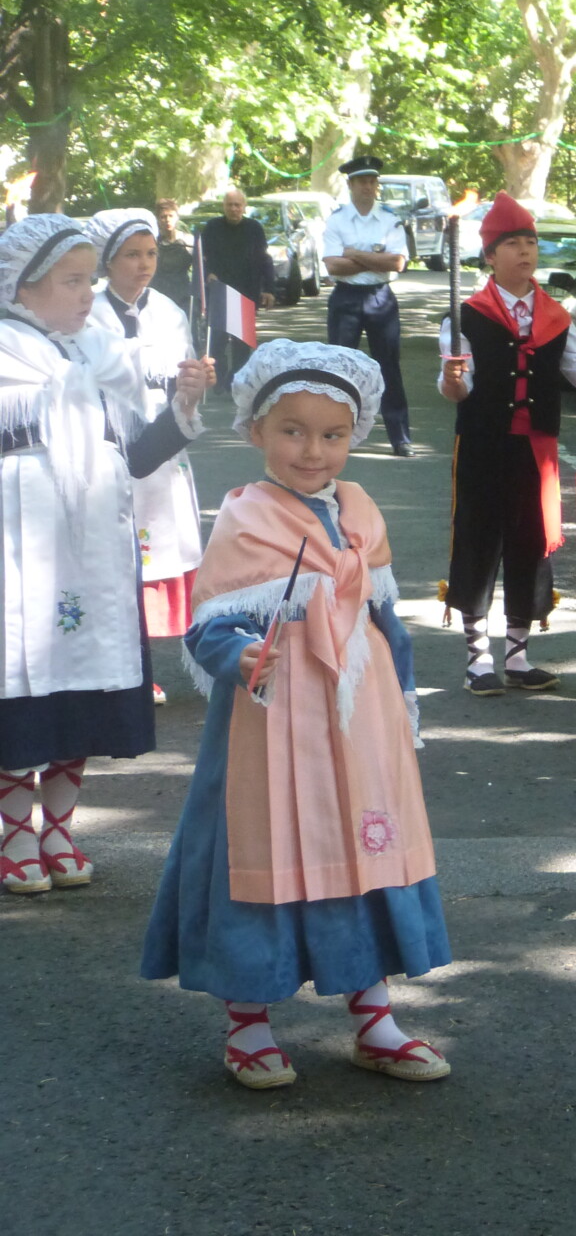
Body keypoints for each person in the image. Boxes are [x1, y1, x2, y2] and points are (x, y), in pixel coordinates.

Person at [141, 339, 452, 1090]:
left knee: (364, 845)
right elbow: (212, 621)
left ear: (355, 436)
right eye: (293, 430)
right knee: (266, 848)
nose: (314, 450)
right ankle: (247, 1018)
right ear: (255, 431)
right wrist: (239, 655)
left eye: (332, 434)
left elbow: (386, 618)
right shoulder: (247, 518)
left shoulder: (360, 511)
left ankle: (373, 1013)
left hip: (359, 716)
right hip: (275, 716)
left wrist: (403, 701)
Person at [0, 215, 212, 895]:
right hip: (20, 556)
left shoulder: (100, 352)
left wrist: (181, 406)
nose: (88, 294)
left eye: (89, 278)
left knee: (83, 690)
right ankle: (12, 835)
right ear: (22, 289)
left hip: (95, 555)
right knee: (22, 687)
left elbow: (138, 457)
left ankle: (59, 828)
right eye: (71, 281)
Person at [438, 192, 576, 693]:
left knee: (530, 544)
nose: (525, 251)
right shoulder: (464, 316)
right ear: (490, 256)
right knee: (478, 541)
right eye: (512, 243)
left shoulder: (557, 316)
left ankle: (516, 656)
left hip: (536, 453)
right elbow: (457, 389)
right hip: (482, 447)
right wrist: (452, 379)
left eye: (531, 241)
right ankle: (477, 660)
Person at [84, 208, 205, 702]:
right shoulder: (86, 310)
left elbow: (181, 373)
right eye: (131, 255)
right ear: (107, 261)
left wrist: (194, 384)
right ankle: (119, 665)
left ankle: (169, 659)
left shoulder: (169, 311)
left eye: (150, 253)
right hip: (106, 447)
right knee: (112, 560)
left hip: (160, 449)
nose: (144, 264)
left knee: (159, 554)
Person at [321, 155, 414, 456]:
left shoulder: (389, 218)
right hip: (345, 297)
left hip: (380, 297)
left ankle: (400, 438)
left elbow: (397, 262)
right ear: (350, 185)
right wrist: (374, 259)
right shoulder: (337, 219)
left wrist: (354, 254)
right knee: (340, 368)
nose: (368, 186)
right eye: (362, 181)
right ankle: (334, 435)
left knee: (388, 367)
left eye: (373, 181)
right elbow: (333, 267)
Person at [199, 186, 277, 388]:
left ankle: (237, 380)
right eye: (229, 205)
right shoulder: (213, 227)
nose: (234, 209)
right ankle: (220, 378)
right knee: (217, 341)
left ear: (244, 207)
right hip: (219, 292)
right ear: (224, 207)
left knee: (242, 344)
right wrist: (208, 273)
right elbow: (201, 259)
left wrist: (269, 289)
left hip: (246, 292)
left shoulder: (254, 228)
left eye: (237, 205)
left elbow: (264, 259)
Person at [150, 198, 196, 309]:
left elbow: (199, 271)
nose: (167, 220)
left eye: (171, 216)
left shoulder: (189, 241)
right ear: (158, 219)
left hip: (183, 297)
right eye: (163, 217)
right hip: (158, 297)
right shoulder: (152, 242)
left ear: (177, 217)